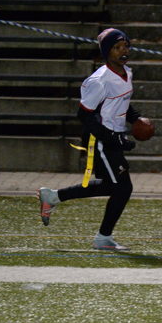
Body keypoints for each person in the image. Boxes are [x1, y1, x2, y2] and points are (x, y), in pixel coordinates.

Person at [37, 27, 141, 251]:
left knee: (114, 186)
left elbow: (121, 102)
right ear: (106, 52)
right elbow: (84, 115)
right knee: (122, 188)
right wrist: (111, 138)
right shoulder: (99, 80)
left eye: (125, 46)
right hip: (99, 139)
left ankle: (53, 197)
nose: (123, 51)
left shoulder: (126, 72)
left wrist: (136, 118)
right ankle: (103, 237)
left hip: (112, 136)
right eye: (116, 47)